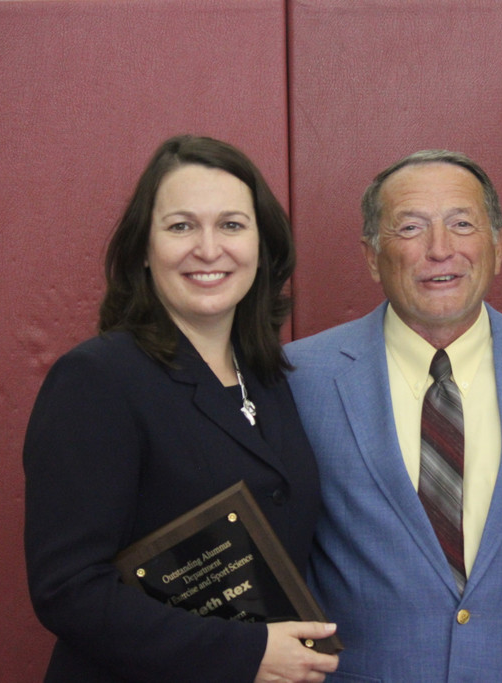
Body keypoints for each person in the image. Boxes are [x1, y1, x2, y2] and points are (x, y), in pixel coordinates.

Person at [24, 135, 338, 683]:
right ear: (144, 250)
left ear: (263, 247)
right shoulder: (98, 378)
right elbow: (68, 590)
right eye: (181, 226)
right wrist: (244, 653)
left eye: (232, 225)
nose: (209, 249)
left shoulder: (268, 377)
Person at [285, 150, 502, 681]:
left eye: (462, 224)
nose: (440, 250)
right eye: (411, 228)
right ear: (372, 256)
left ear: (499, 246)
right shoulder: (300, 379)